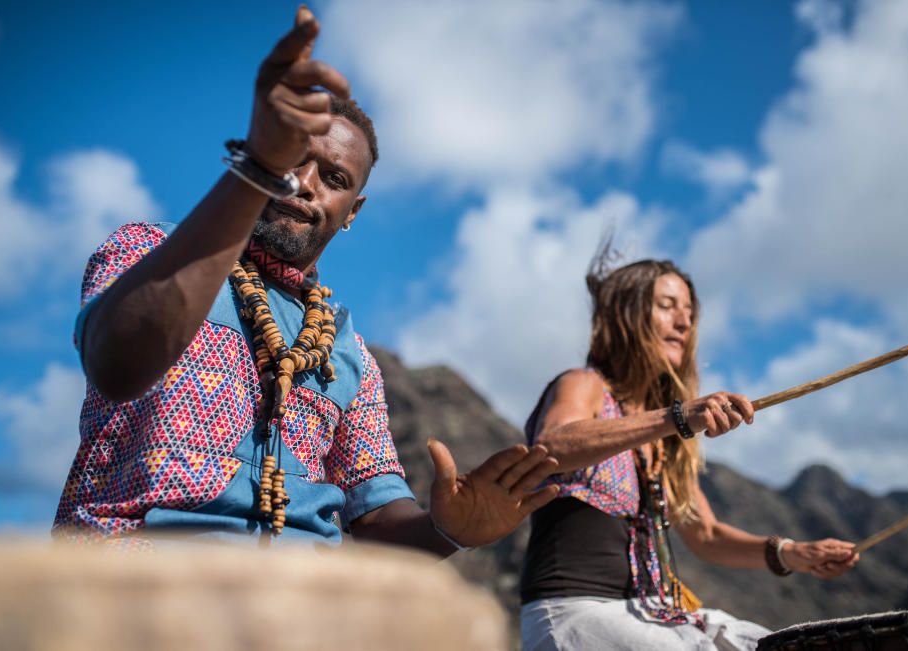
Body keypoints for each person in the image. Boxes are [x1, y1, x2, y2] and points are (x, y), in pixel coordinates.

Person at [52, 6, 559, 554]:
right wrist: (256, 171)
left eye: (335, 178)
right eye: (294, 159)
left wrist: (449, 529)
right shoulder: (149, 250)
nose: (306, 184)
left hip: (300, 601)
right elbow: (118, 363)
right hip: (136, 571)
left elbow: (375, 514)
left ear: (353, 210)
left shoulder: (348, 353)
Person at [519, 256, 860, 650]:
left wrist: (793, 553)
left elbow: (707, 535)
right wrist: (676, 415)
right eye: (666, 306)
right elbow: (553, 444)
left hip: (653, 613)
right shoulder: (584, 384)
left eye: (689, 312)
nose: (684, 323)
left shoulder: (664, 441)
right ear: (625, 316)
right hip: (576, 613)